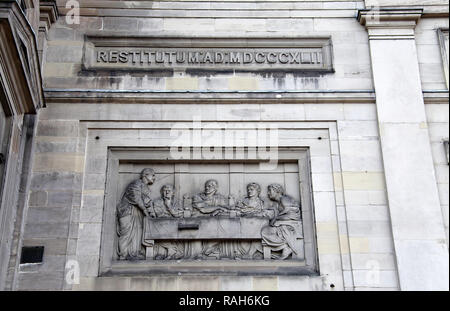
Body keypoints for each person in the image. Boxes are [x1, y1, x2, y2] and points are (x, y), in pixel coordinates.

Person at [116, 168, 156, 260]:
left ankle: (134, 253)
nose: (154, 177)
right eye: (152, 175)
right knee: (126, 233)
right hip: (126, 212)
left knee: (137, 232)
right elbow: (136, 198)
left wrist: (152, 212)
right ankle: (123, 254)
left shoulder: (145, 187)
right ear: (145, 175)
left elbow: (147, 202)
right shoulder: (136, 184)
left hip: (137, 213)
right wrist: (145, 210)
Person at [261, 183, 301, 260]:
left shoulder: (284, 198)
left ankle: (287, 247)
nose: (268, 193)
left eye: (270, 191)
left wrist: (276, 218)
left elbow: (290, 210)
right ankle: (286, 246)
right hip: (285, 219)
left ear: (277, 191)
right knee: (266, 230)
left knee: (266, 231)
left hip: (290, 219)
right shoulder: (277, 203)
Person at [151, 184, 185, 260]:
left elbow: (180, 214)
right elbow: (159, 214)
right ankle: (170, 250)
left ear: (173, 193)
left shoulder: (178, 202)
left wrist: (168, 207)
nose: (166, 192)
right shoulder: (157, 202)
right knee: (158, 230)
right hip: (162, 225)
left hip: (176, 225)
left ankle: (173, 251)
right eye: (164, 190)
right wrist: (173, 213)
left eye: (169, 191)